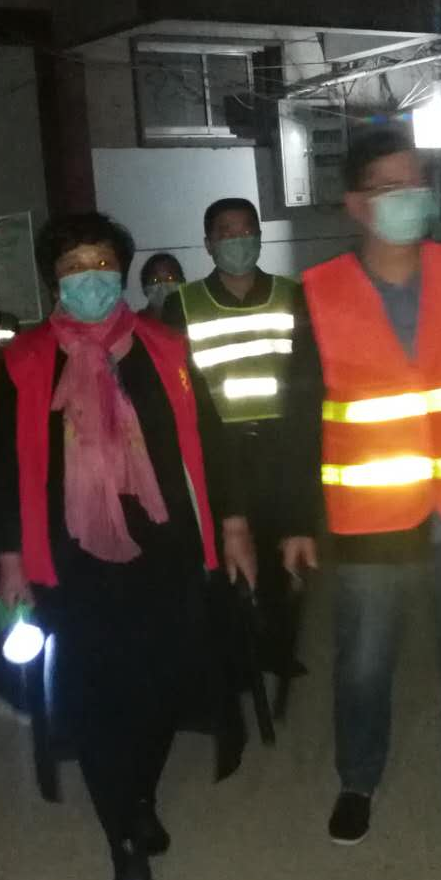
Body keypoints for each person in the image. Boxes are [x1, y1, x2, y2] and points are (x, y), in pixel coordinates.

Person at [276, 126, 441, 880]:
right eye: (391, 187)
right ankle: (357, 782)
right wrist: (295, 520)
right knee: (364, 668)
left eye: (416, 182)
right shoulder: (320, 294)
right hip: (371, 521)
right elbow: (299, 415)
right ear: (356, 204)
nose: (410, 198)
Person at [0, 212, 257, 880]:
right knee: (95, 695)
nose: (90, 278)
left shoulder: (163, 348)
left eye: (101, 263)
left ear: (122, 271)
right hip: (69, 558)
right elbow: (2, 470)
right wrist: (9, 558)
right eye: (73, 266)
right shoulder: (24, 362)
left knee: (159, 687)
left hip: (164, 551)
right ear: (53, 278)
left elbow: (210, 441)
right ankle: (123, 841)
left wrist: (231, 525)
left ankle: (141, 795)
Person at [160, 198, 309, 694]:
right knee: (226, 554)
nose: (238, 240)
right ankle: (238, 655)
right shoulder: (182, 305)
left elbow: (308, 378)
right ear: (208, 244)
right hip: (216, 450)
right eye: (226, 232)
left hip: (279, 448)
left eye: (247, 230)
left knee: (281, 552)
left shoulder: (293, 295)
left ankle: (279, 647)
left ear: (260, 237)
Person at [137, 253, 186, 321]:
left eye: (170, 278)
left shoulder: (193, 319)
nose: (163, 286)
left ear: (183, 283)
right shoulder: (135, 323)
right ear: (144, 288)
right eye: (155, 280)